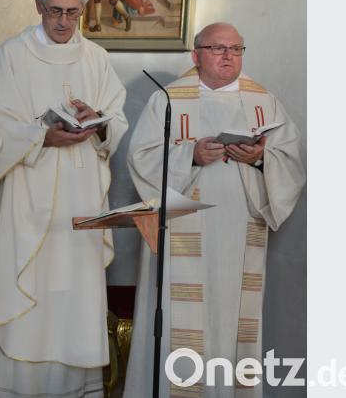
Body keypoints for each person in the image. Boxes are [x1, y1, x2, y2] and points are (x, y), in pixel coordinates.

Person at [0, 0, 128, 398]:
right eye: (55, 11)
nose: (63, 22)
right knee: (27, 290)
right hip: (25, 193)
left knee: (72, 292)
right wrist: (42, 136)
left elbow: (117, 117)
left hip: (79, 200)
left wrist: (98, 124)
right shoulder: (12, 55)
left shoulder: (95, 58)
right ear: (39, 6)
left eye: (72, 13)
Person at [124, 22, 305, 397]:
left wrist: (259, 159)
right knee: (179, 322)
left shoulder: (263, 101)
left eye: (236, 49)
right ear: (196, 55)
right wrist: (189, 155)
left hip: (240, 231)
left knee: (232, 321)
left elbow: (290, 162)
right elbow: (140, 160)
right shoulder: (170, 99)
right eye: (218, 49)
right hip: (183, 231)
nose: (228, 57)